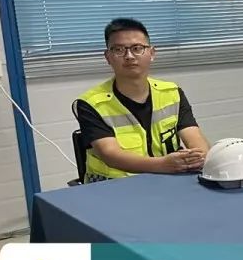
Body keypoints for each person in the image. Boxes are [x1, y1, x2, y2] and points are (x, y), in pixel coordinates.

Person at [73, 18, 209, 182]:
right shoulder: (91, 103)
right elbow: (110, 155)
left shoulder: (172, 93)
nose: (129, 56)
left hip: (167, 179)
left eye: (137, 48)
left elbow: (196, 140)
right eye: (119, 50)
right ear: (108, 57)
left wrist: (199, 157)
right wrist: (163, 165)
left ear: (152, 53)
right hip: (112, 184)